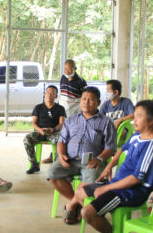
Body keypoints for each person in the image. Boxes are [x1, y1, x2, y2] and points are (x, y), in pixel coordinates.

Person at [67, 100, 153, 233]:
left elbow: (136, 178)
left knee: (87, 212)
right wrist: (108, 168)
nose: (134, 120)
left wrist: (106, 187)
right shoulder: (136, 136)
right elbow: (121, 150)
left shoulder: (152, 145)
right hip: (118, 185)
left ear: (151, 121)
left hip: (132, 192)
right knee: (80, 190)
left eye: (139, 116)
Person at [48, 86, 116, 224]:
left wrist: (99, 158)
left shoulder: (106, 122)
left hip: (92, 162)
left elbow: (110, 148)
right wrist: (60, 154)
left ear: (98, 102)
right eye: (84, 99)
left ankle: (71, 207)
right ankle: (78, 203)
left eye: (91, 100)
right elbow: (62, 141)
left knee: (89, 182)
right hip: (70, 160)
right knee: (52, 173)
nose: (86, 102)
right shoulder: (71, 120)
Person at [24, 85, 66, 174]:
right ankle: (34, 164)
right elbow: (34, 123)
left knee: (61, 140)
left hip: (54, 133)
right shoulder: (38, 107)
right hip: (40, 132)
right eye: (48, 93)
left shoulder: (60, 108)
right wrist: (40, 130)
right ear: (44, 94)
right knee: (27, 138)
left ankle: (56, 166)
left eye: (52, 93)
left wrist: (53, 130)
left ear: (56, 96)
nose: (50, 95)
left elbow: (61, 124)